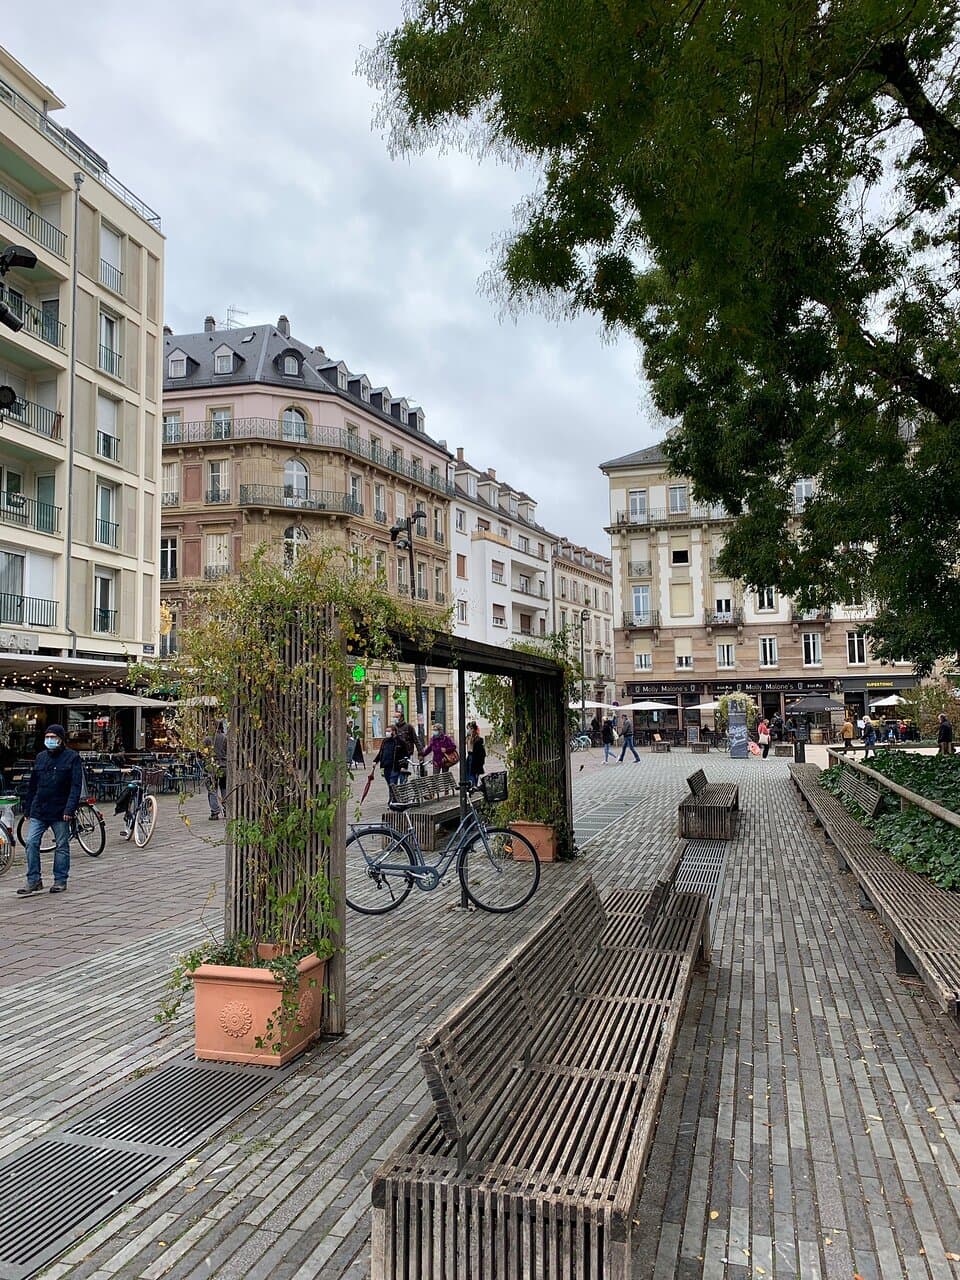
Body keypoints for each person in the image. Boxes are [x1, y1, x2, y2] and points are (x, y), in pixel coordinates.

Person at [16, 723, 84, 896]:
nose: (50, 740)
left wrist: (70, 809)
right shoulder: (40, 757)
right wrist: (28, 808)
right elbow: (33, 785)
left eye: (53, 737)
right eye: (47, 737)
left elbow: (76, 786)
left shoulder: (72, 757)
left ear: (61, 739)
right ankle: (34, 880)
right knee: (31, 842)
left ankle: (60, 880)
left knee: (61, 845)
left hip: (61, 809)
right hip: (40, 807)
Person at [465, 721, 486, 786]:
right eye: (468, 728)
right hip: (470, 756)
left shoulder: (477, 739)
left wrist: (481, 762)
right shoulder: (468, 738)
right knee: (468, 772)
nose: (468, 730)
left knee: (473, 772)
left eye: (470, 729)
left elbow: (482, 753)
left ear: (473, 730)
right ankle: (471, 785)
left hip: (475, 758)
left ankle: (473, 785)